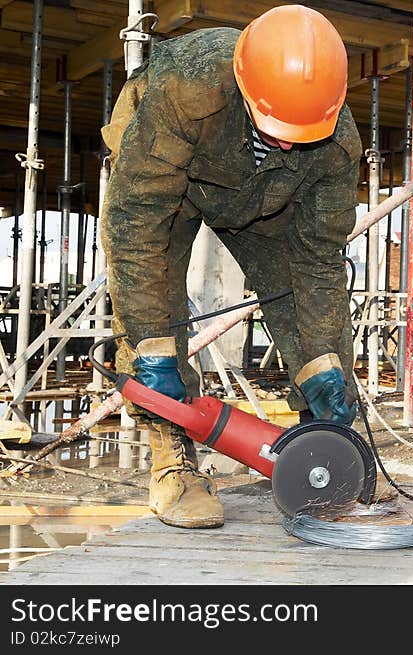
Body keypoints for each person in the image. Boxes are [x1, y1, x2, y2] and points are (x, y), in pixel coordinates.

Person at [100, 5, 361, 529]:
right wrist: (152, 346)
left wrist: (327, 362)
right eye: (276, 126)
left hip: (263, 197)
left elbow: (317, 264)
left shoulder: (335, 145)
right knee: (154, 314)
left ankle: (325, 451)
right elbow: (136, 227)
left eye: (300, 131)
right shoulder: (184, 86)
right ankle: (173, 461)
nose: (287, 140)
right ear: (245, 89)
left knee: (319, 333)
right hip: (170, 180)